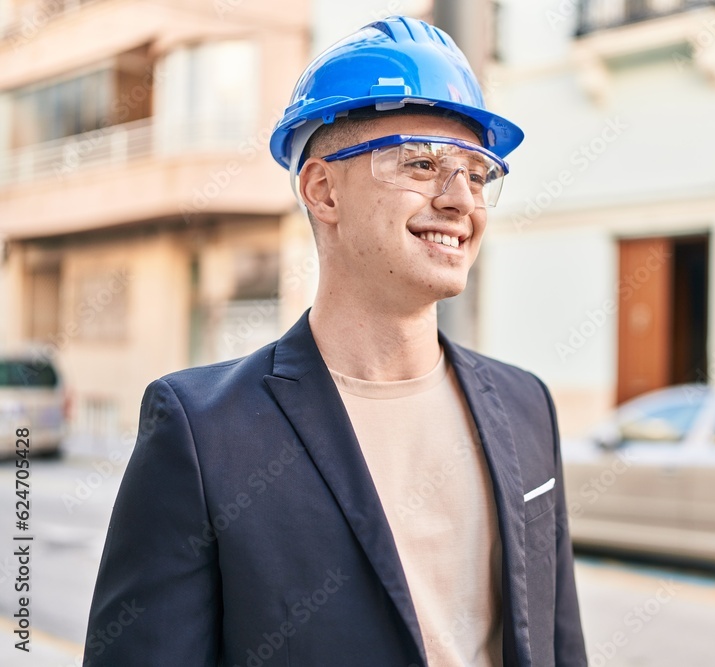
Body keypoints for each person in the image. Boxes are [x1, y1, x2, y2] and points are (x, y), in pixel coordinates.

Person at [83, 15, 587, 667]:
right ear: (322, 189)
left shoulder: (527, 409)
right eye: (421, 162)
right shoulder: (204, 435)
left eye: (478, 172)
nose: (462, 200)